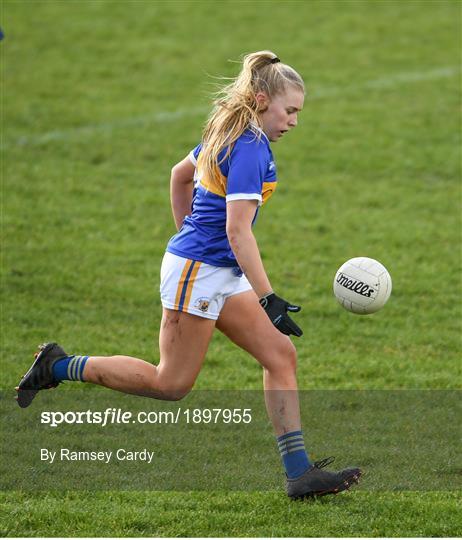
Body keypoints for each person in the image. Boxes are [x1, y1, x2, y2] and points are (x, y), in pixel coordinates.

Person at [16, 51, 361, 499]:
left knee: (280, 355)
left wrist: (190, 235)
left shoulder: (231, 129)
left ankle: (299, 474)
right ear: (261, 100)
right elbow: (238, 231)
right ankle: (57, 366)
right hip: (200, 272)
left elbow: (180, 176)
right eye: (290, 110)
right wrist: (267, 296)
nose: (294, 121)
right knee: (171, 384)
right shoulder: (251, 148)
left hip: (211, 268)